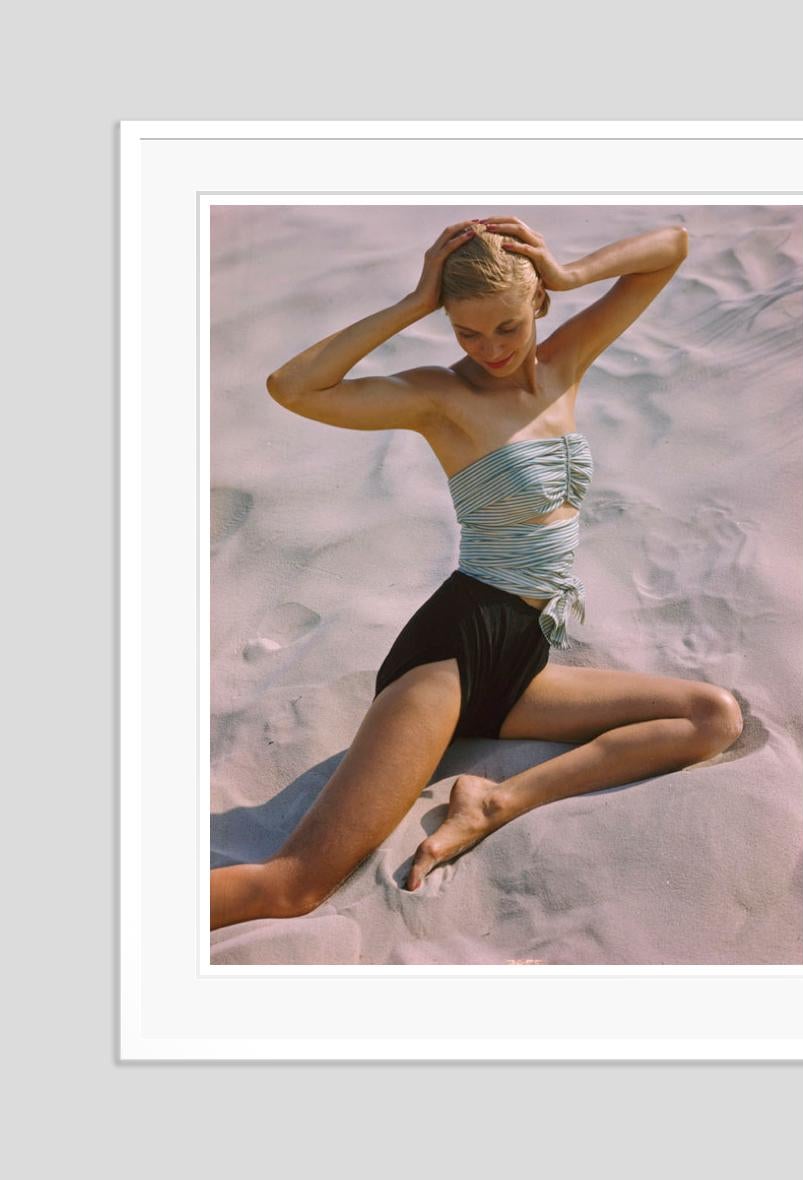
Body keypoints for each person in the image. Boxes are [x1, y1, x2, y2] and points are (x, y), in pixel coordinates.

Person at [210, 215, 743, 932]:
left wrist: (569, 271)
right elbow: (293, 386)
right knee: (294, 886)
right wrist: (411, 303)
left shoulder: (564, 365)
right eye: (466, 332)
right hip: (450, 656)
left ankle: (498, 800)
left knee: (711, 717)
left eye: (507, 328)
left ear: (539, 307)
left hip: (523, 655)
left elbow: (672, 245)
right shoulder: (441, 397)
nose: (489, 350)